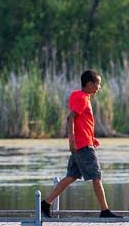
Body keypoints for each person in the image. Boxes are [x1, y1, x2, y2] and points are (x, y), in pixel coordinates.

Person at [41, 69, 115, 217]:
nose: (99, 87)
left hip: (82, 144)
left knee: (71, 176)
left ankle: (46, 203)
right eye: (98, 84)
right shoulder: (82, 98)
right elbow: (70, 118)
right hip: (82, 146)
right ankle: (105, 211)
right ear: (89, 84)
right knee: (96, 176)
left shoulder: (80, 96)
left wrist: (90, 139)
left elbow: (81, 122)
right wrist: (72, 140)